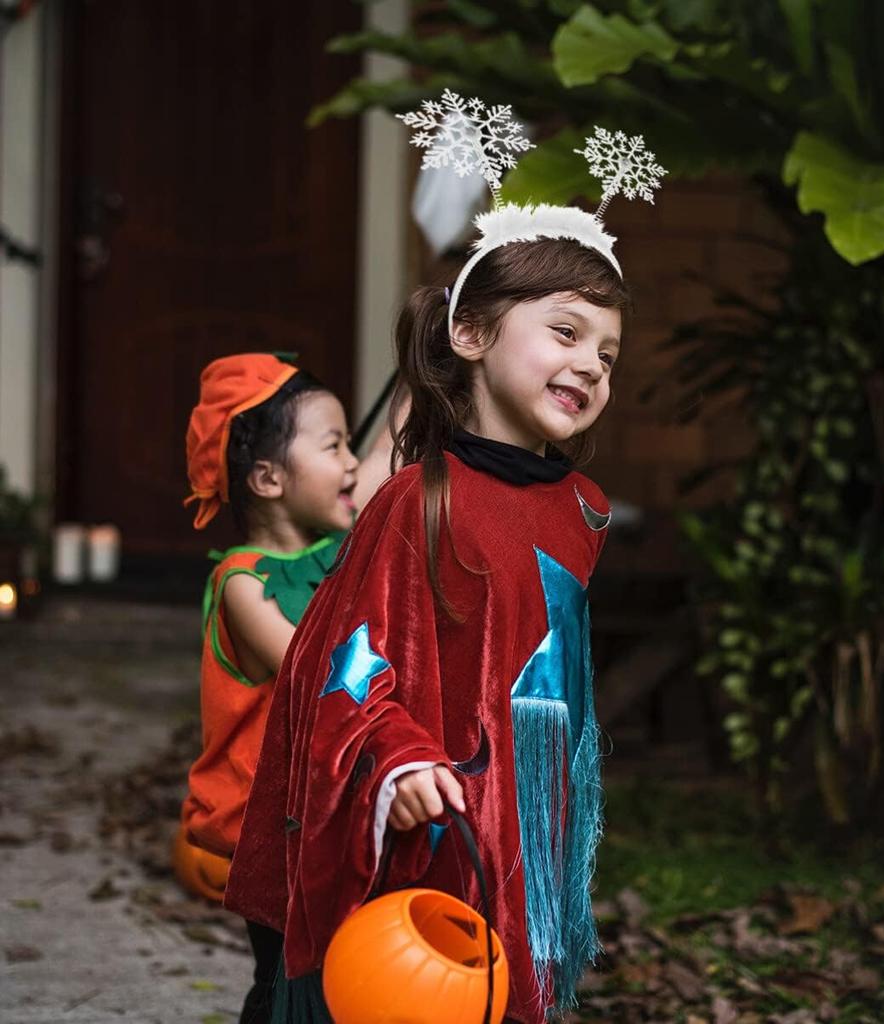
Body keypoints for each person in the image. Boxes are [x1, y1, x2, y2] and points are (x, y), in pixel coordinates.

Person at [226, 95, 662, 1024]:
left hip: (519, 828)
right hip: (425, 826)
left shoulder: (580, 511)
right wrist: (397, 762)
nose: (591, 365)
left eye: (610, 353)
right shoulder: (418, 505)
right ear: (470, 335)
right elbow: (335, 666)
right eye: (566, 331)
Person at [179, 352, 394, 1024]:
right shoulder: (244, 584)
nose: (354, 463)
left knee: (334, 972)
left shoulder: (336, 542)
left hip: (324, 813)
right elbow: (316, 673)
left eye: (349, 445)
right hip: (270, 826)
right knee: (284, 978)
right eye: (334, 447)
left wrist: (428, 357)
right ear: (269, 477)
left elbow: (387, 453)